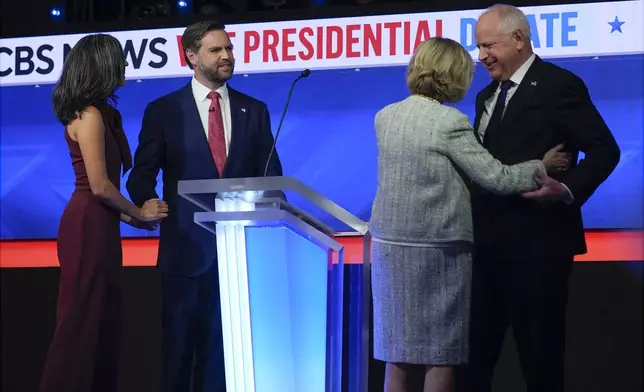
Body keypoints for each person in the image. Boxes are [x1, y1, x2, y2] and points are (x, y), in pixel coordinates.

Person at [369, 37, 568, 392]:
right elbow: (496, 177)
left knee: (396, 352)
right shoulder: (450, 122)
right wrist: (542, 165)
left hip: (389, 251)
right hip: (438, 253)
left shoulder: (385, 116)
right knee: (440, 354)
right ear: (454, 75)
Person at [457, 5, 621, 392]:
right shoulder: (485, 96)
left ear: (518, 39)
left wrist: (565, 190)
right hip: (485, 249)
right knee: (473, 361)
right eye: (478, 48)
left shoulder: (558, 85)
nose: (481, 57)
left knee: (540, 361)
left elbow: (604, 150)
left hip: (538, 248)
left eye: (488, 46)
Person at [126, 21, 283, 392]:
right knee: (178, 355)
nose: (227, 55)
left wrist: (273, 225)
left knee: (223, 361)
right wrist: (145, 202)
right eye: (216, 50)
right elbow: (141, 174)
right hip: (185, 255)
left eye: (229, 48)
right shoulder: (164, 110)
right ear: (192, 57)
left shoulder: (254, 110)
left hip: (238, 258)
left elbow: (272, 178)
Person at [40, 34, 168, 392]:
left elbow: (107, 191)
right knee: (81, 321)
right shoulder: (90, 116)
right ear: (101, 65)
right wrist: (139, 216)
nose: (125, 65)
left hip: (101, 223)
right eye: (119, 59)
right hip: (86, 225)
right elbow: (99, 186)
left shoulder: (105, 113)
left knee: (103, 320)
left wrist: (136, 219)